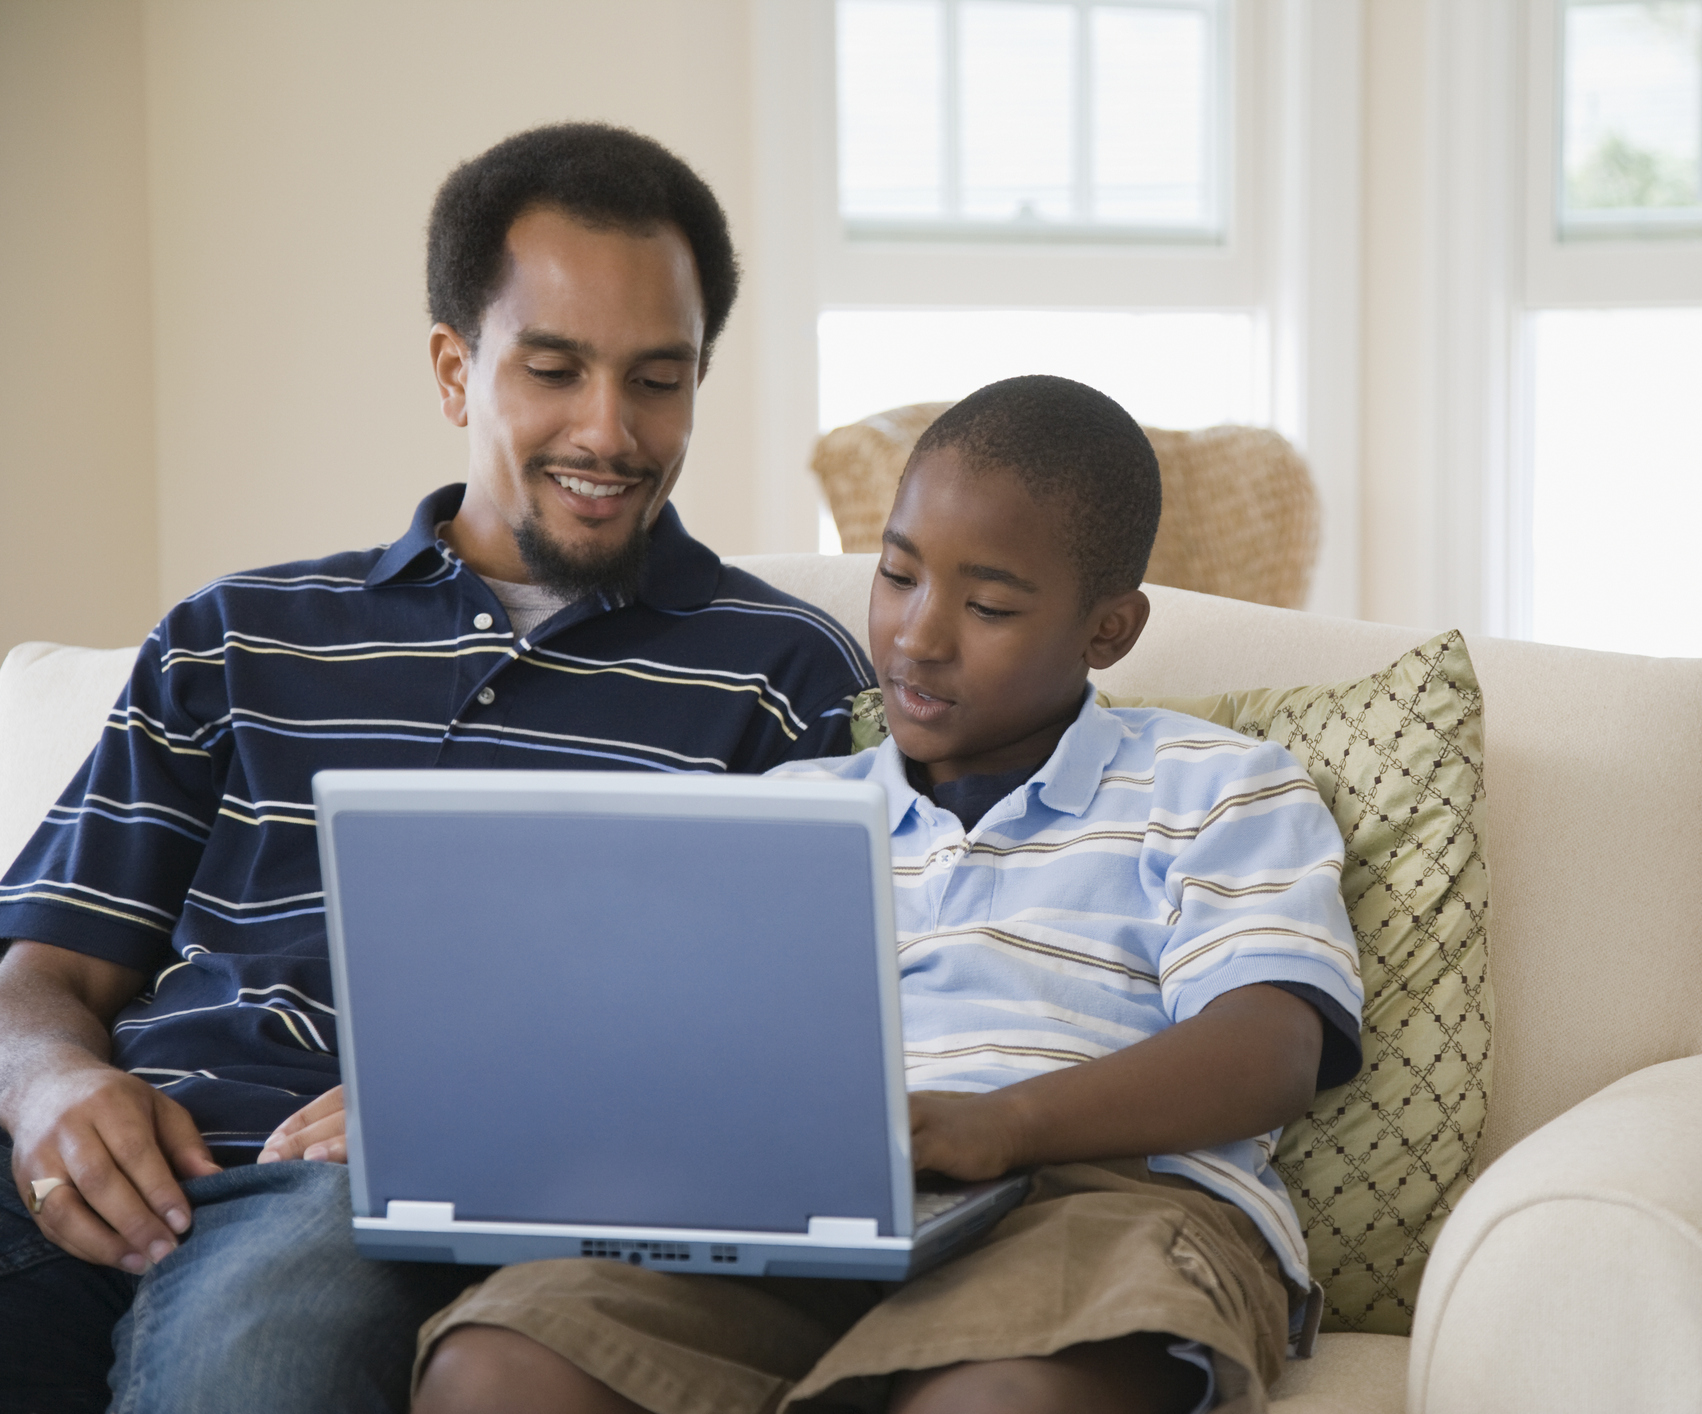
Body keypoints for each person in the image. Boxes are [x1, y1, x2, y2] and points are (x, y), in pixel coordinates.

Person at [0, 123, 872, 1414]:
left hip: (368, 1206)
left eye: (657, 379)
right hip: (111, 1150)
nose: (609, 430)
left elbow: (795, 1051)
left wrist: (475, 1109)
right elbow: (46, 965)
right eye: (555, 368)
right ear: (457, 371)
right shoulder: (231, 633)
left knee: (257, 1370)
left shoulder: (784, 677)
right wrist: (53, 1081)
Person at [409, 375, 1366, 1414]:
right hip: (804, 1223)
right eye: (898, 574)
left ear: (1109, 629)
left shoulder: (1218, 782)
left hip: (1103, 1203)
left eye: (988, 605)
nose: (919, 634)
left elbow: (1272, 1048)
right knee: (494, 1365)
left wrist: (1001, 1125)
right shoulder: (790, 809)